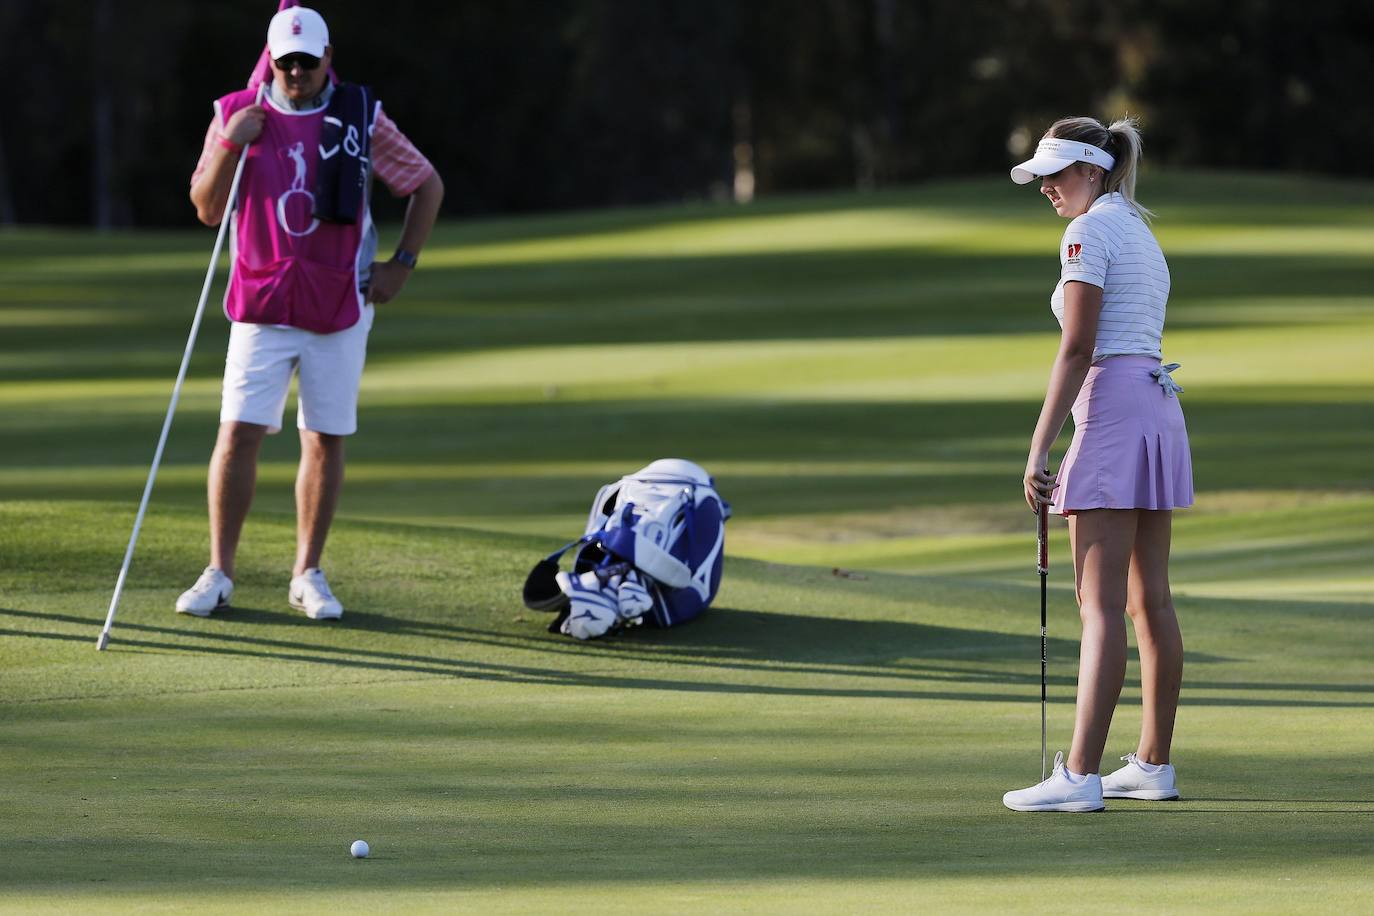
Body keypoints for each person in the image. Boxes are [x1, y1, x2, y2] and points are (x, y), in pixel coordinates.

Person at [177, 7, 443, 621]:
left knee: (324, 437)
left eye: (308, 60)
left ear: (328, 58)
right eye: (286, 61)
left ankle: (308, 573)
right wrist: (226, 145)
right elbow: (206, 209)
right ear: (271, 60)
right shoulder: (236, 113)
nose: (297, 72)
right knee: (238, 432)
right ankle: (219, 571)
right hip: (261, 300)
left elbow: (426, 184)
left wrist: (402, 263)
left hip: (338, 301)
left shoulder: (359, 115)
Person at [1001, 117, 1193, 812]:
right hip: (1155, 408)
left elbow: (1077, 347)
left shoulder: (1087, 232)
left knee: (1100, 604)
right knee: (1151, 601)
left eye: (1057, 173)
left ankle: (1079, 775)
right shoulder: (1136, 227)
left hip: (1112, 410)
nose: (1047, 188)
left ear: (1091, 167)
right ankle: (1152, 764)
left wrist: (1038, 445)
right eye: (1042, 177)